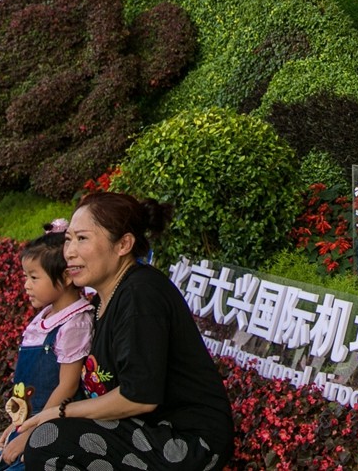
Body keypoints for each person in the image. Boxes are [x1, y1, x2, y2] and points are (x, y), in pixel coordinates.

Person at [18, 192, 233, 471]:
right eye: (68, 239)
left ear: (123, 244)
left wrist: (58, 413)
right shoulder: (102, 301)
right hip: (144, 430)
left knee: (48, 440)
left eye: (82, 238)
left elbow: (139, 396)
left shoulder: (141, 295)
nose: (68, 251)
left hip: (187, 442)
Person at [0, 221, 93, 471]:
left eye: (33, 277)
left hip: (52, 427)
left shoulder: (75, 324)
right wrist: (19, 423)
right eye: (25, 277)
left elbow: (67, 385)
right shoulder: (46, 316)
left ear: (65, 277)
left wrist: (32, 432)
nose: (26, 285)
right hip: (32, 422)